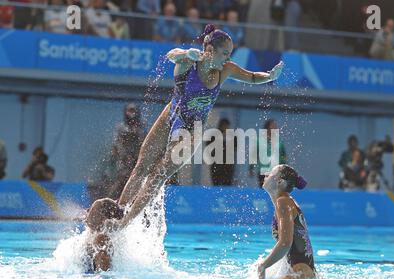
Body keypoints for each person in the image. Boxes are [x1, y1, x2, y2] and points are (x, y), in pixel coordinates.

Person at [88, 24, 283, 230]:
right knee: (142, 165)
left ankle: (124, 225)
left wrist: (270, 76)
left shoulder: (225, 70)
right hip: (171, 114)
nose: (228, 58)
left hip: (192, 130)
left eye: (230, 54)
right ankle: (120, 210)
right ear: (210, 50)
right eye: (225, 53)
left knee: (158, 175)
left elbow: (251, 77)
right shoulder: (190, 61)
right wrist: (185, 52)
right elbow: (172, 55)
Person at [257, 164, 317, 279]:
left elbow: (285, 243)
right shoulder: (286, 201)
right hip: (303, 275)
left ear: (279, 182)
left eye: (271, 174)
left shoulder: (283, 202)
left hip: (300, 275)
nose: (266, 175)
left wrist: (263, 266)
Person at [83, 198, 124, 272]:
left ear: (103, 218)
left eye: (92, 211)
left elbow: (104, 275)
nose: (87, 212)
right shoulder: (92, 235)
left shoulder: (101, 240)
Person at [249, 119, 287, 187]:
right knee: (264, 189)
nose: (275, 128)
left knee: (275, 190)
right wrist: (251, 168)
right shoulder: (259, 141)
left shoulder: (279, 142)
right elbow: (254, 156)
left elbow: (284, 156)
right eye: (273, 126)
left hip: (276, 172)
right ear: (267, 128)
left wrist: (285, 168)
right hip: (263, 171)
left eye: (276, 126)